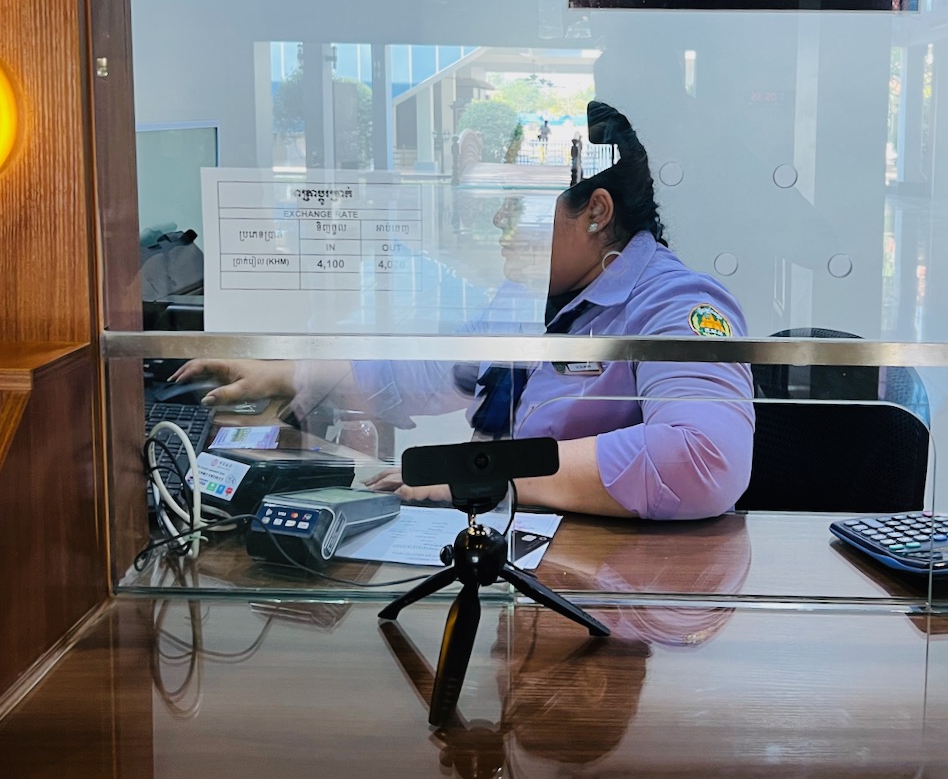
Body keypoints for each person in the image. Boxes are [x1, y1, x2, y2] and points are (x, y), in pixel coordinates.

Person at [176, 101, 755, 521]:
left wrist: (487, 470)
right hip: (522, 559)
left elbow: (704, 457)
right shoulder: (536, 295)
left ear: (596, 212)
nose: (499, 221)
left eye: (517, 201)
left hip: (621, 587)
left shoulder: (678, 306)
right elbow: (441, 369)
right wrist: (291, 373)